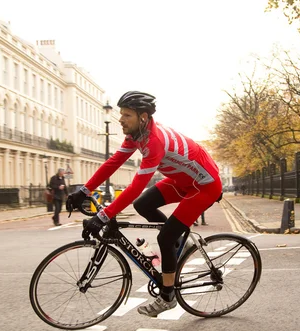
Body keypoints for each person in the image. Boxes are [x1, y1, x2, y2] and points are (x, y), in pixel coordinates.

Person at [67, 91, 222, 317]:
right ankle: (182, 241)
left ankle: (168, 296)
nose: (121, 119)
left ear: (143, 117)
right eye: (120, 114)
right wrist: (84, 190)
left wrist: (102, 216)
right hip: (181, 180)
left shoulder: (154, 142)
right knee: (143, 205)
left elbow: (136, 186)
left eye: (126, 115)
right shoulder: (137, 135)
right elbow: (113, 163)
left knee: (165, 237)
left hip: (204, 185)